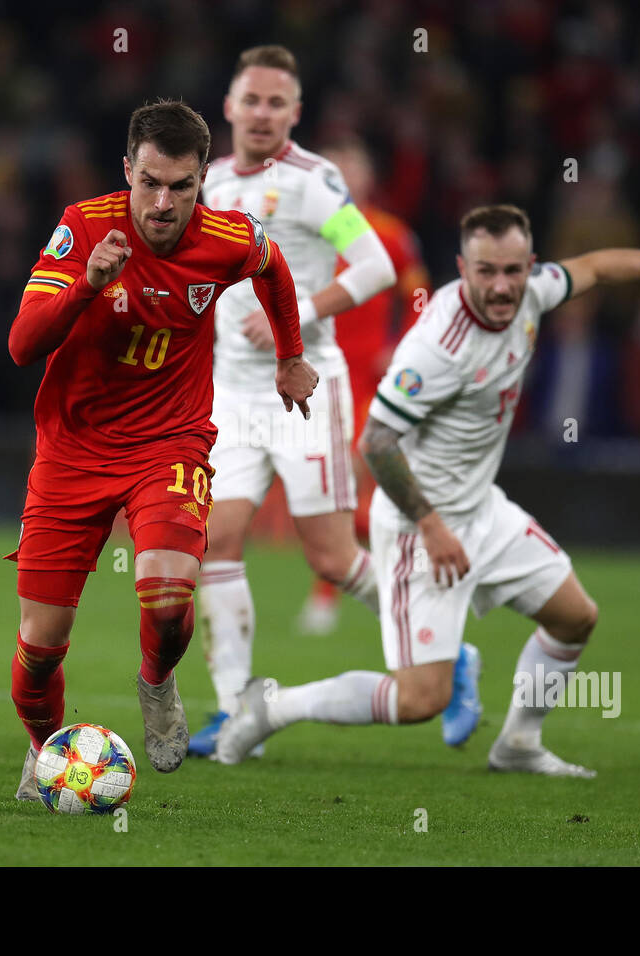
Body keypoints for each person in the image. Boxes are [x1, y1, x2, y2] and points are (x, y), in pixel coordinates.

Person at [217, 204, 640, 776]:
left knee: (574, 617)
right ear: (463, 268)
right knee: (420, 700)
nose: (502, 285)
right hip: (420, 527)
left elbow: (595, 266)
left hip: (483, 509)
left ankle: (517, 745)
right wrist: (433, 529)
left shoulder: (535, 293)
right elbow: (377, 442)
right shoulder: (438, 345)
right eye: (487, 272)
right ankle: (274, 706)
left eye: (513, 270)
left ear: (530, 265)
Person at [4, 99, 317, 798]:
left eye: (180, 186)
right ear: (127, 171)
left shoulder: (227, 239)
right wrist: (86, 286)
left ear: (202, 179)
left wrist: (290, 356)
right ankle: (45, 749)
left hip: (168, 442)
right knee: (37, 652)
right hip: (71, 451)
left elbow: (274, 268)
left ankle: (157, 683)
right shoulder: (86, 228)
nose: (163, 202)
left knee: (170, 590)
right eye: (149, 182)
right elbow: (22, 345)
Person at [189, 46, 404, 756]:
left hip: (307, 387)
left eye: (276, 103)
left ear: (295, 114)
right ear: (228, 107)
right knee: (215, 539)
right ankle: (232, 709)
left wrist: (300, 311)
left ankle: (440, 650)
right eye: (251, 100)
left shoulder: (316, 182)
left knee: (333, 558)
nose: (261, 113)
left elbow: (375, 266)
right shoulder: (210, 183)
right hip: (231, 394)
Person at [296, 136, 431, 636]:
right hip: (314, 376)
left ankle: (327, 598)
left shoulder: (391, 234)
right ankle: (412, 544)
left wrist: (402, 342)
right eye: (335, 171)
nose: (344, 179)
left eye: (352, 170)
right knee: (324, 493)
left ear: (369, 178)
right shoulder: (309, 233)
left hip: (367, 382)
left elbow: (418, 294)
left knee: (347, 484)